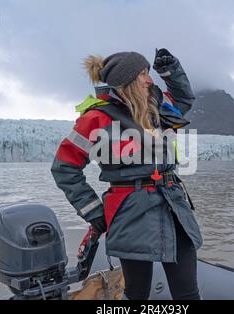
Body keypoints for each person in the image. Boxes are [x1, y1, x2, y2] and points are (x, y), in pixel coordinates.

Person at [51, 49, 203, 300]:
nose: (149, 80)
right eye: (142, 74)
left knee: (188, 293)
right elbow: (64, 168)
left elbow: (184, 100)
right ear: (127, 81)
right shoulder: (96, 119)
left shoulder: (158, 106)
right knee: (136, 293)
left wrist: (171, 72)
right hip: (130, 213)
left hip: (174, 207)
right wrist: (93, 211)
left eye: (149, 73)